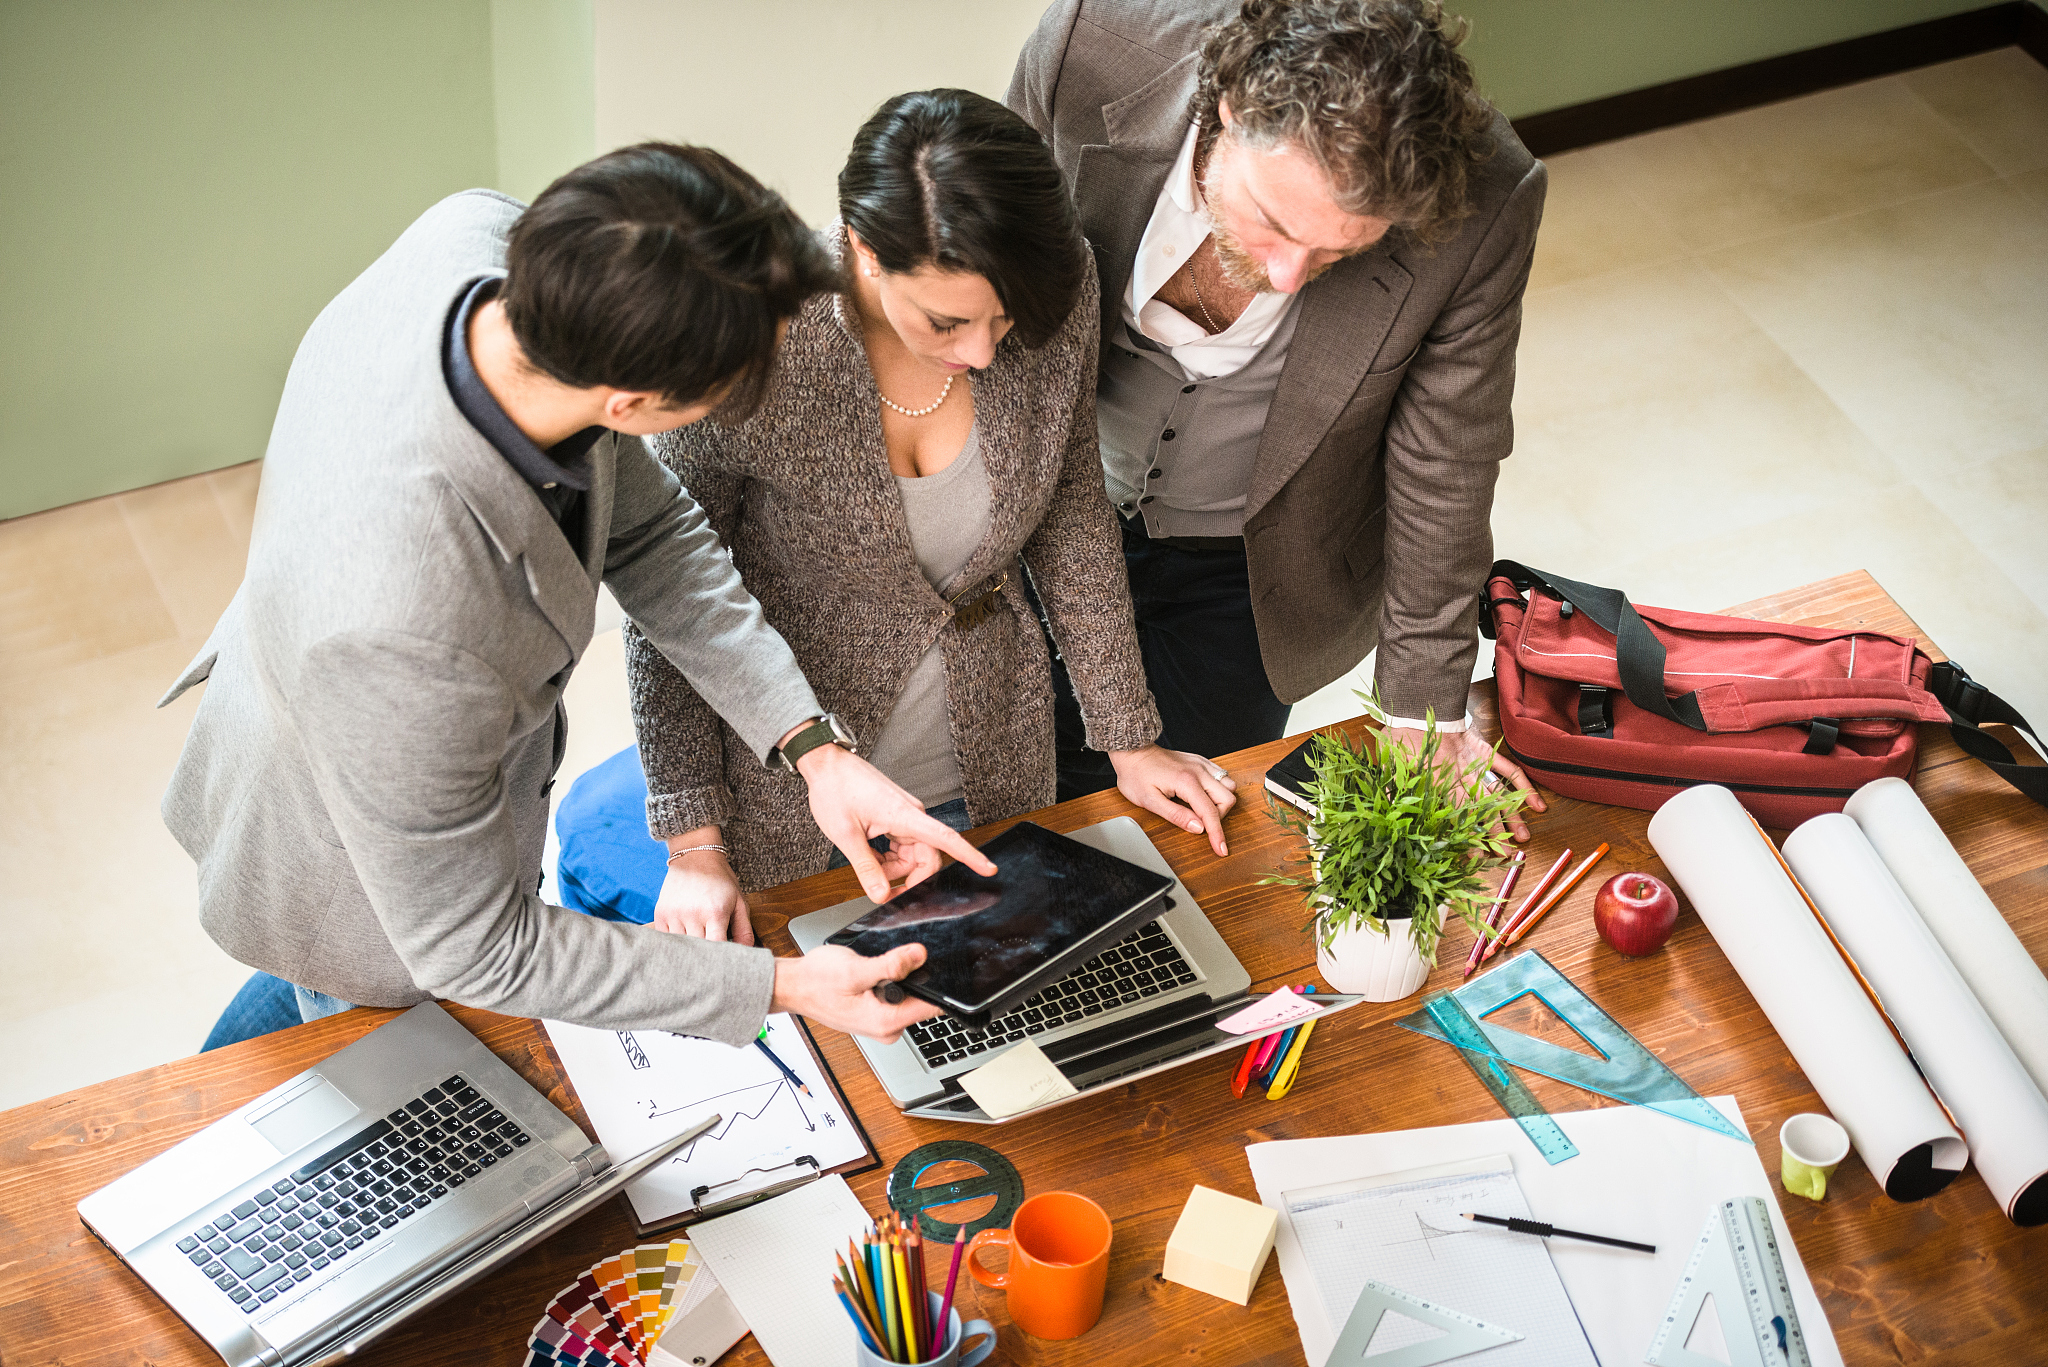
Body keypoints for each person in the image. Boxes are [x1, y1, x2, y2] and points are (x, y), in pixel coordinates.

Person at [166, 144, 993, 1052]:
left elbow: (648, 532)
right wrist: (788, 984)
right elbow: (476, 948)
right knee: (364, 1025)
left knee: (307, 1004)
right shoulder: (402, 624)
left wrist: (814, 749)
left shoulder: (479, 236)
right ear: (634, 404)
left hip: (377, 726)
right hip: (342, 848)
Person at [623, 90, 1238, 942]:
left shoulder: (1059, 286)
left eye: (1005, 320)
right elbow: (671, 591)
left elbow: (1069, 513)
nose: (985, 352)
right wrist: (693, 841)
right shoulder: (754, 336)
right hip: (793, 804)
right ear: (865, 252)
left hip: (993, 769)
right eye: (947, 321)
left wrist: (1128, 736)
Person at [1010, 0, 1550, 837]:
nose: (1293, 277)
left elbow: (1446, 464)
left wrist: (1426, 719)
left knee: (1179, 847)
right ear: (1228, 105)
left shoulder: (1487, 199)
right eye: (1271, 222)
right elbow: (985, 274)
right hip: (1037, 518)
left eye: (1340, 252)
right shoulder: (1089, 47)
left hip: (1247, 573)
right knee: (998, 812)